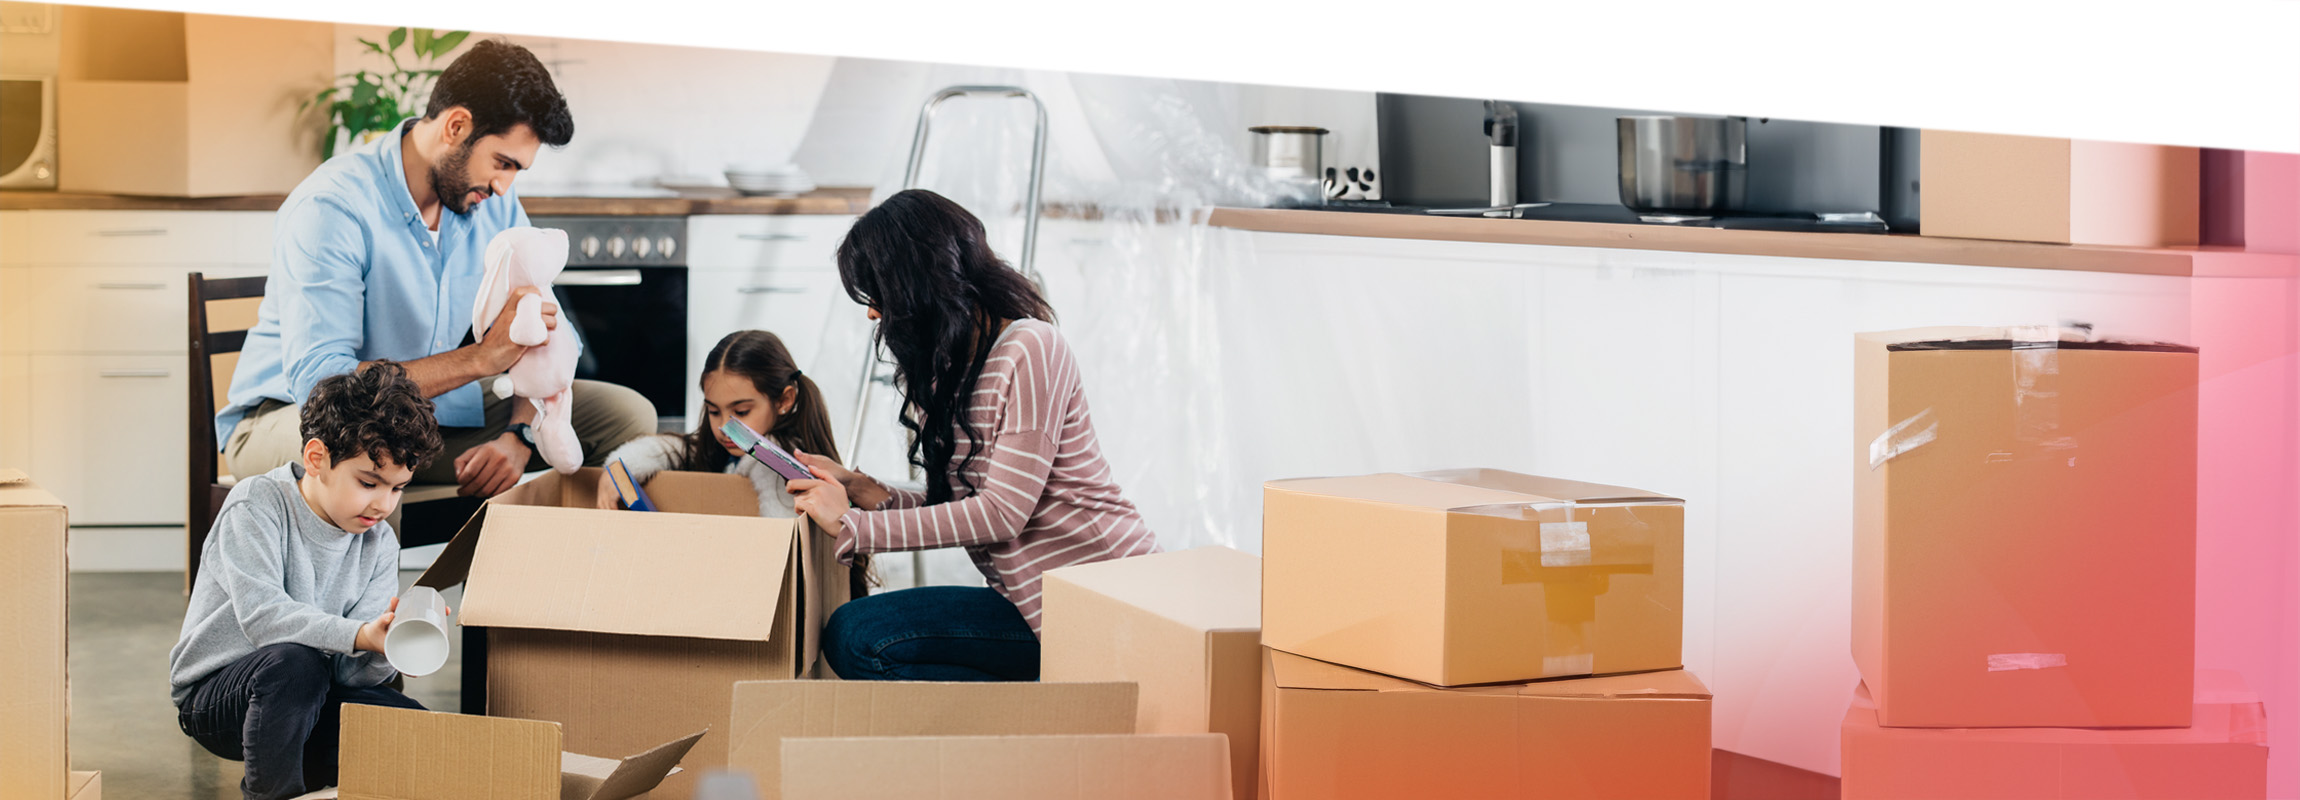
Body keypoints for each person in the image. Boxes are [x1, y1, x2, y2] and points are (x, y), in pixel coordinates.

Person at [215, 38, 653, 500]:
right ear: (457, 126)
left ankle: (552, 571)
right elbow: (328, 385)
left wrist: (520, 435)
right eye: (502, 163)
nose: (504, 186)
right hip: (293, 419)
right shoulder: (333, 205)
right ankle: (379, 576)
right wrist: (482, 358)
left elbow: (544, 337)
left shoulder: (492, 206)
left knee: (627, 416)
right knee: (369, 444)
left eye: (517, 170)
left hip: (423, 417)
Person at [788, 189, 1160, 681]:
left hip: (1103, 602)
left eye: (878, 294)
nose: (874, 314)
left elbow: (1002, 514)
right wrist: (865, 492)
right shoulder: (945, 369)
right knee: (853, 633)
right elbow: (966, 504)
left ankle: (1037, 726)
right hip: (1029, 603)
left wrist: (856, 528)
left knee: (860, 637)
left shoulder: (1031, 347)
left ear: (920, 283)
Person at [170, 362, 446, 800]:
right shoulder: (256, 505)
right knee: (295, 664)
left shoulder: (380, 542)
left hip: (310, 691)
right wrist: (358, 633)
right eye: (369, 482)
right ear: (316, 458)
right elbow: (264, 620)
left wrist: (386, 648)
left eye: (397, 488)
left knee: (406, 719)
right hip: (218, 697)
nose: (382, 504)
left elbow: (351, 676)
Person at [593, 329, 870, 596]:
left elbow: (777, 561)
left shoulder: (778, 471)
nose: (725, 427)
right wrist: (618, 467)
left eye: (741, 412)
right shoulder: (729, 448)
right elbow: (677, 448)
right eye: (713, 411)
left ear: (784, 400)